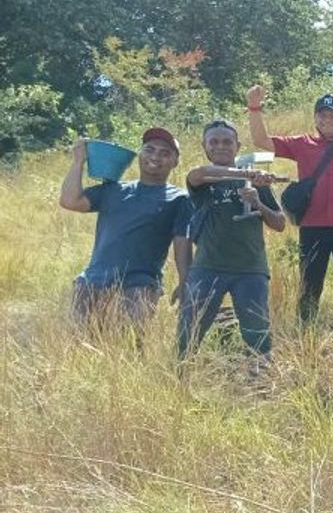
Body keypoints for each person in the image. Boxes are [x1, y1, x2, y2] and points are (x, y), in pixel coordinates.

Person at [247, 87, 333, 334]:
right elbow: (261, 142)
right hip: (312, 227)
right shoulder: (301, 144)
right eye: (323, 115)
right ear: (315, 118)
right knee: (309, 287)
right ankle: (304, 336)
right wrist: (254, 108)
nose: (328, 120)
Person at [59, 128, 192, 328]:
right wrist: (78, 161)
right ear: (140, 154)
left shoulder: (180, 199)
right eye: (149, 149)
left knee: (129, 346)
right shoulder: (113, 190)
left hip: (139, 286)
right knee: (79, 345)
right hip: (92, 281)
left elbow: (182, 243)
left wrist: (185, 283)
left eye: (165, 153)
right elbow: (70, 201)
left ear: (175, 162)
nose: (155, 156)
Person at [177, 119, 286, 364]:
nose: (220, 146)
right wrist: (248, 172)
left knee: (257, 333)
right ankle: (177, 382)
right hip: (206, 267)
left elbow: (279, 224)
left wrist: (258, 202)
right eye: (213, 142)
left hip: (251, 269)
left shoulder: (257, 182)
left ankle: (262, 385)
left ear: (237, 146)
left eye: (227, 142)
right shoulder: (203, 181)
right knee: (189, 331)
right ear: (204, 146)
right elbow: (200, 173)